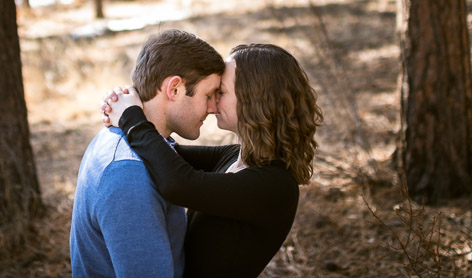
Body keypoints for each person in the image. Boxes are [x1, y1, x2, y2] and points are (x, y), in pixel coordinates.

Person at [103, 43, 323, 278]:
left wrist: (132, 119)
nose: (213, 102)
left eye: (222, 92)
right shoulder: (238, 156)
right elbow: (168, 154)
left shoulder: (274, 186)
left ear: (254, 100)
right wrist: (139, 104)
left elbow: (178, 183)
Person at [70, 29, 225, 278]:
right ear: (174, 89)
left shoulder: (132, 143)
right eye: (208, 95)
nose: (213, 108)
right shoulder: (127, 173)